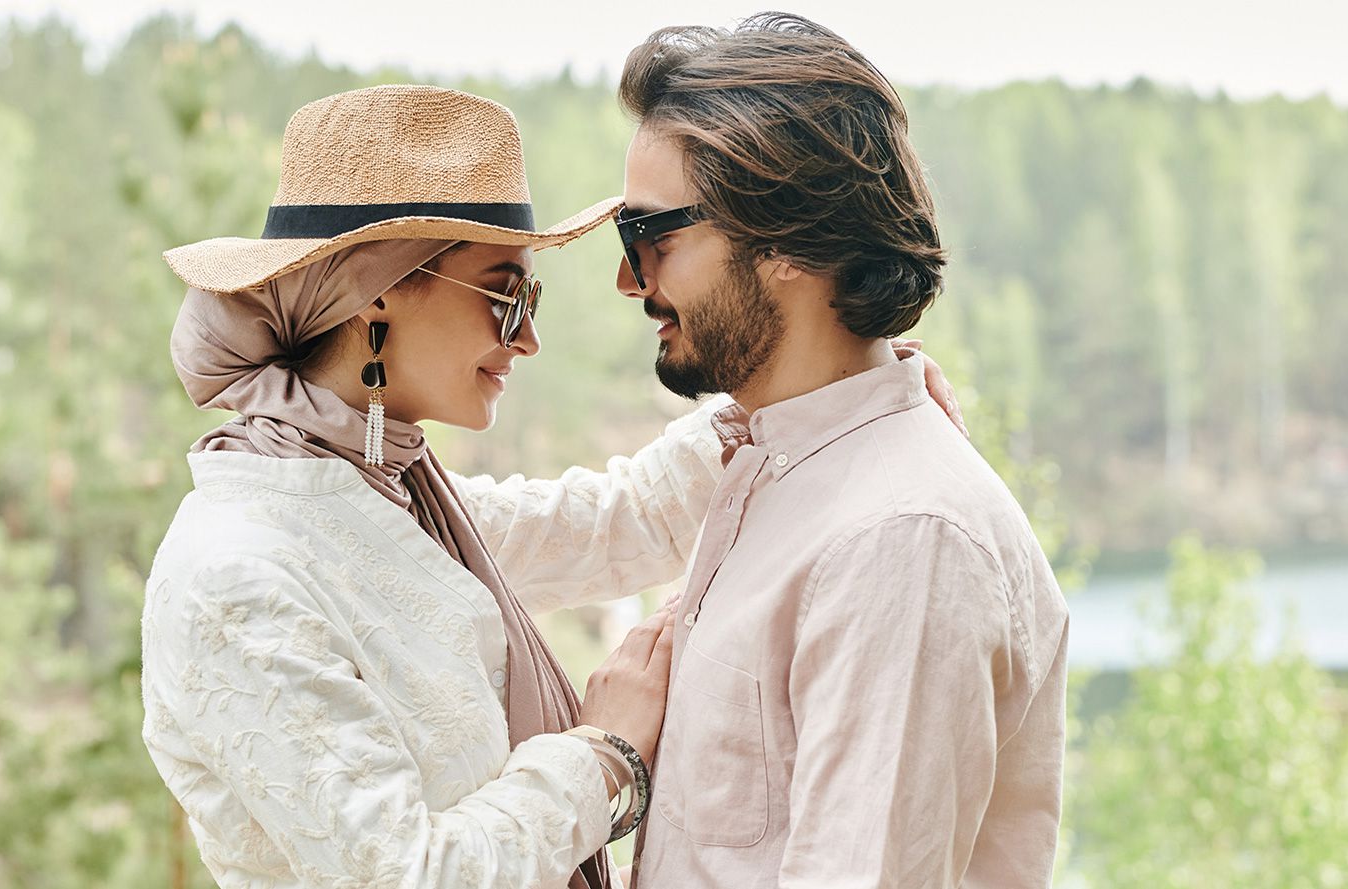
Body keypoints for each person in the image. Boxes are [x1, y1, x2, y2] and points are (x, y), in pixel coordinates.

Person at [143, 84, 701, 889]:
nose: (531, 339)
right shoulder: (241, 572)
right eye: (508, 295)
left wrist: (825, 381)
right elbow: (409, 873)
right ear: (378, 293)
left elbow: (619, 520)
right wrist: (602, 755)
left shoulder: (390, 494)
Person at [613, 14, 1070, 888]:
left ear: (786, 241)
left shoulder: (901, 538)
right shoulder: (772, 468)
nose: (632, 279)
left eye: (654, 239)